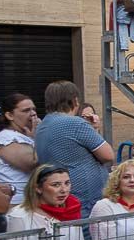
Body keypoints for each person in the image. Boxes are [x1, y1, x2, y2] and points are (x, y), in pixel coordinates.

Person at [34, 82, 113, 218]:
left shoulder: (42, 125)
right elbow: (108, 155)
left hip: (64, 197)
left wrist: (92, 129)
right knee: (87, 238)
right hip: (85, 201)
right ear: (75, 101)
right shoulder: (75, 123)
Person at [0, 94, 39, 204]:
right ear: (10, 115)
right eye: (26, 110)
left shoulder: (27, 134)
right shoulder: (5, 138)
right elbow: (31, 162)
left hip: (32, 199)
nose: (33, 114)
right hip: (17, 202)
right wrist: (36, 138)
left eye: (33, 109)